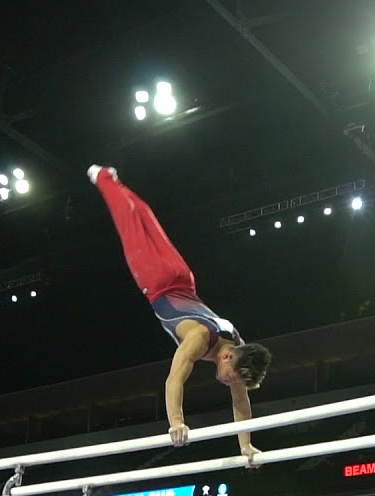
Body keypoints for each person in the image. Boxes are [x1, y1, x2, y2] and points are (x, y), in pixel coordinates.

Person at [88, 165, 272, 461]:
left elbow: (241, 402)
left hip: (184, 278)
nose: (230, 383)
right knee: (128, 222)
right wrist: (176, 422)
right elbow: (174, 379)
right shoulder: (199, 339)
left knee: (145, 217)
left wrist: (245, 446)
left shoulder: (238, 347)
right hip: (157, 282)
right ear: (226, 357)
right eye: (231, 378)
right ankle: (103, 179)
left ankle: (118, 182)